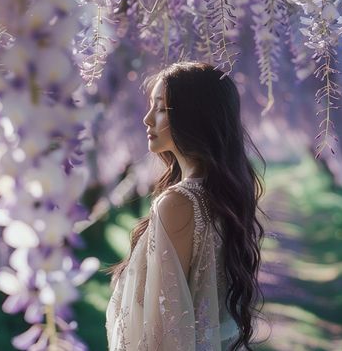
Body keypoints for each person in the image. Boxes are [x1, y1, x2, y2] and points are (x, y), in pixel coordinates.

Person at [105, 61, 266, 350]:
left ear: (194, 117)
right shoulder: (218, 195)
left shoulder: (177, 203)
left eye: (161, 108)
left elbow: (166, 324)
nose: (146, 119)